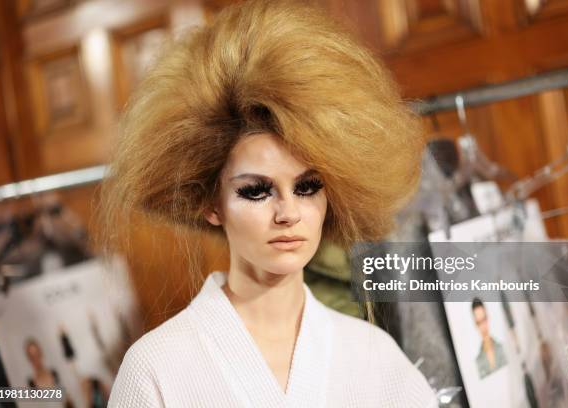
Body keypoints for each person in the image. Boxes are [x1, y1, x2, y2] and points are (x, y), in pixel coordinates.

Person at [99, 0, 437, 406]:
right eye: (256, 191)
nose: (289, 213)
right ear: (211, 202)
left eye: (308, 186)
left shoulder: (376, 358)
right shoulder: (157, 369)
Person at [472, 298, 507, 379]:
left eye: (484, 319)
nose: (483, 326)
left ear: (488, 317)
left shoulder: (502, 348)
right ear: (475, 324)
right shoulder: (478, 361)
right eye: (479, 322)